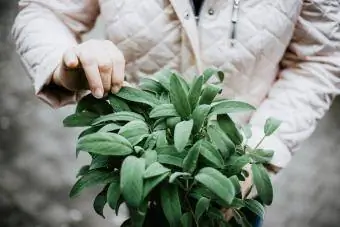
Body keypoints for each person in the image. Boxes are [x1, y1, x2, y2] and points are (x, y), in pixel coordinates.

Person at [11, 0, 340, 226]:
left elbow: (319, 57)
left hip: (236, 172)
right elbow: (45, 10)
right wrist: (68, 65)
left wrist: (257, 155)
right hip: (142, 163)